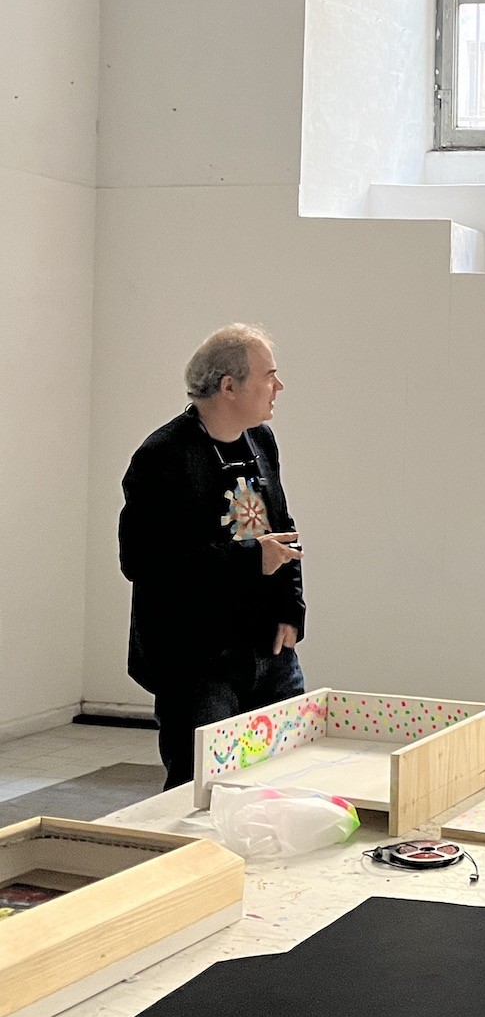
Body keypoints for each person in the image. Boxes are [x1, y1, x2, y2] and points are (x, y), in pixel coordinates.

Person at [119, 324, 306, 789]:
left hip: (269, 650)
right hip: (198, 660)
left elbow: (282, 528)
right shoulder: (162, 456)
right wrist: (250, 559)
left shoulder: (261, 441)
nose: (279, 386)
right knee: (198, 792)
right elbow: (142, 560)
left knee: (279, 779)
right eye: (269, 376)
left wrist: (291, 608)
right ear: (229, 386)